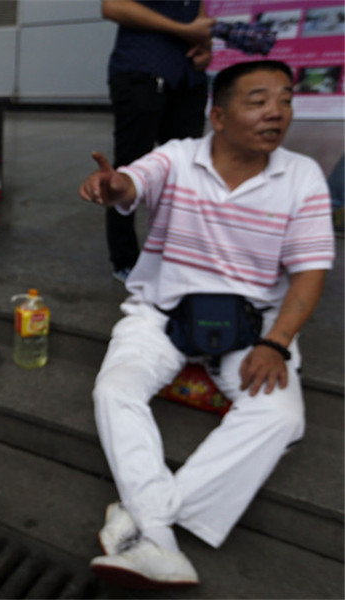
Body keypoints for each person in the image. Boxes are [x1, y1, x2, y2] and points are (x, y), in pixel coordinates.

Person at [78, 60, 334, 588]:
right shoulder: (178, 157)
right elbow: (134, 184)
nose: (277, 113)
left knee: (281, 417)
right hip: (162, 313)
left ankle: (146, 519)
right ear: (217, 115)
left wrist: (276, 343)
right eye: (259, 100)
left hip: (252, 323)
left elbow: (309, 275)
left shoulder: (302, 176)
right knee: (115, 390)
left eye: (285, 100)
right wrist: (116, 187)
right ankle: (160, 536)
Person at [101, 0, 215, 282]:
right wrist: (182, 30)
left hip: (188, 78)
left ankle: (177, 255)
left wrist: (205, 47)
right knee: (129, 169)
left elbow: (198, 16)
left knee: (187, 171)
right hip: (141, 70)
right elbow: (112, 6)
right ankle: (125, 259)